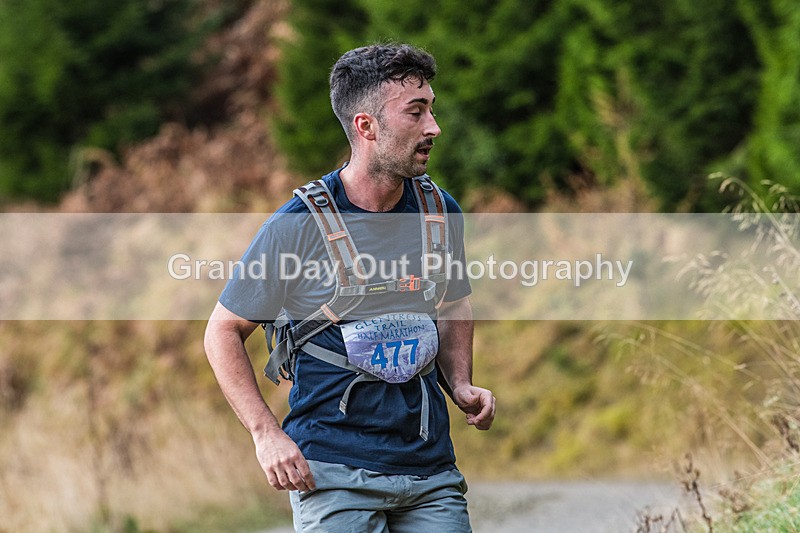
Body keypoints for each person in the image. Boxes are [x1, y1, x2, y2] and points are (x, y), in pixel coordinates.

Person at [204, 43, 495, 532]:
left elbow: (453, 301)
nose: (433, 128)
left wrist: (461, 381)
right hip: (332, 472)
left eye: (432, 110)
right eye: (416, 113)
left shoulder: (439, 211)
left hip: (431, 472)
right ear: (366, 127)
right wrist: (266, 434)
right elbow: (222, 332)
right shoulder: (296, 226)